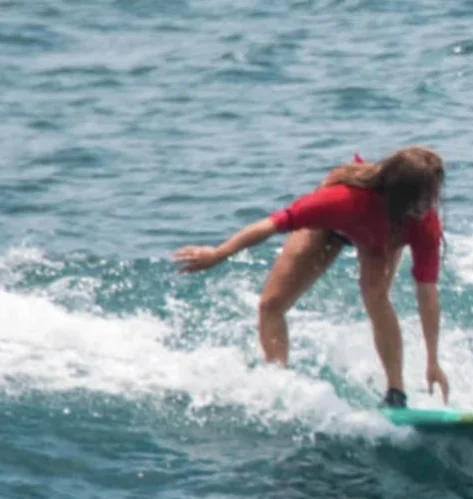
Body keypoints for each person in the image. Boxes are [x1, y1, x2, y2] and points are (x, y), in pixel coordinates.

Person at [173, 147, 452, 407]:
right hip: (329, 228)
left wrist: (432, 361)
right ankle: (277, 382)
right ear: (401, 194)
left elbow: (427, 293)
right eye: (423, 199)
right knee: (271, 305)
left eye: (432, 197)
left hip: (379, 239)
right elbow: (272, 225)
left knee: (377, 299)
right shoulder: (342, 199)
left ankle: (396, 393)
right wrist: (218, 254)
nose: (429, 207)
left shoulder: (422, 223)